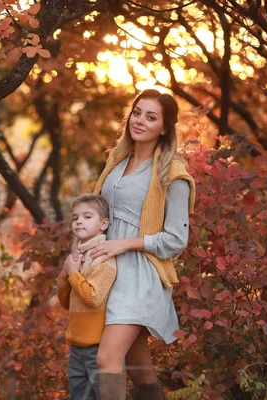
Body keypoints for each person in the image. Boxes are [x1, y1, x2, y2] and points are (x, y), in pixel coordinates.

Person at [88, 89, 196, 400]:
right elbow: (100, 214)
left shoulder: (172, 174)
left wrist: (124, 245)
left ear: (163, 128)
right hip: (108, 273)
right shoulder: (116, 160)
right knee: (138, 367)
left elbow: (176, 239)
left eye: (151, 117)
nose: (140, 121)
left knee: (107, 360)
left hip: (141, 276)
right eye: (137, 112)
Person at [57, 194, 118, 400]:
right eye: (75, 218)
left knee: (106, 396)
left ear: (103, 224)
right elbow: (65, 301)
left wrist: (74, 273)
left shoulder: (103, 258)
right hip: (76, 347)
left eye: (87, 216)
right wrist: (67, 273)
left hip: (97, 347)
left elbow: (93, 297)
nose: (79, 221)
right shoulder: (78, 257)